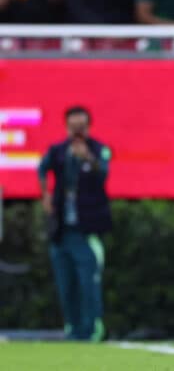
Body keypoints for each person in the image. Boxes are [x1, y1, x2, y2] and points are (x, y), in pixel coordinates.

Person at [37, 106, 112, 341]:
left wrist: (87, 157)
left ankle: (92, 328)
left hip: (86, 230)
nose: (78, 132)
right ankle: (73, 328)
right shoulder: (58, 151)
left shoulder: (99, 150)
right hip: (61, 230)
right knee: (65, 283)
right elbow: (41, 168)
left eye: (82, 127)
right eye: (73, 127)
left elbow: (104, 173)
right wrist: (46, 195)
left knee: (87, 282)